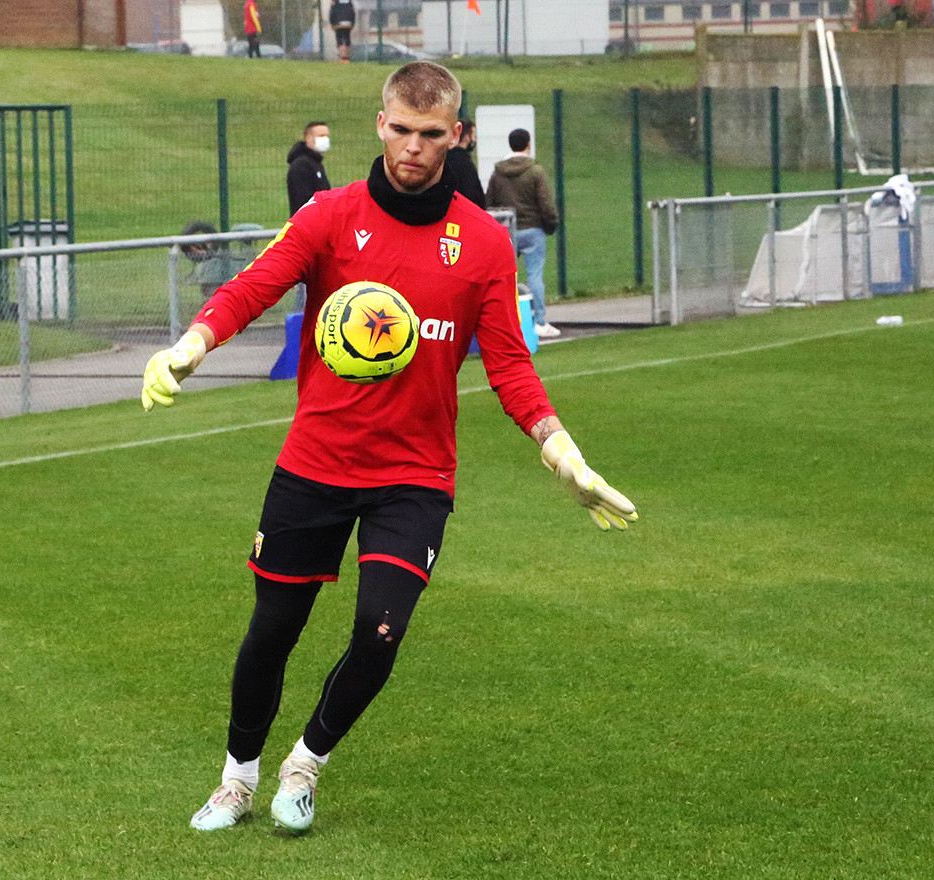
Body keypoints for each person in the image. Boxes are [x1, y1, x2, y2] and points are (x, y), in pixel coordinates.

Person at [140, 61, 637, 835]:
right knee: (273, 629)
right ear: (380, 124)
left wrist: (561, 448)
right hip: (315, 462)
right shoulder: (328, 216)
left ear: (457, 136)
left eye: (430, 134)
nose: (411, 147)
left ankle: (305, 765)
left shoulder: (480, 244)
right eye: (400, 129)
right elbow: (255, 284)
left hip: (414, 476)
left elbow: (509, 362)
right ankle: (236, 780)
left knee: (381, 630)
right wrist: (192, 344)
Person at [486, 128, 562, 339]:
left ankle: (508, 322)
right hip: (533, 229)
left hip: (507, 231)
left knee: (506, 279)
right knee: (535, 277)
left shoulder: (498, 172)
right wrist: (550, 224)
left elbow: (489, 202)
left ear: (510, 145)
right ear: (528, 144)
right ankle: (539, 322)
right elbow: (546, 203)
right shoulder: (535, 171)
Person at [286, 121, 331, 218]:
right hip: (308, 222)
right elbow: (303, 199)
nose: (325, 139)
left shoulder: (315, 163)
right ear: (308, 137)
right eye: (321, 136)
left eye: (327, 136)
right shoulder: (301, 165)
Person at [446, 116, 484, 208]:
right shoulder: (465, 164)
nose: (474, 140)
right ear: (467, 137)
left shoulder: (445, 159)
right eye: (473, 136)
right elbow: (474, 194)